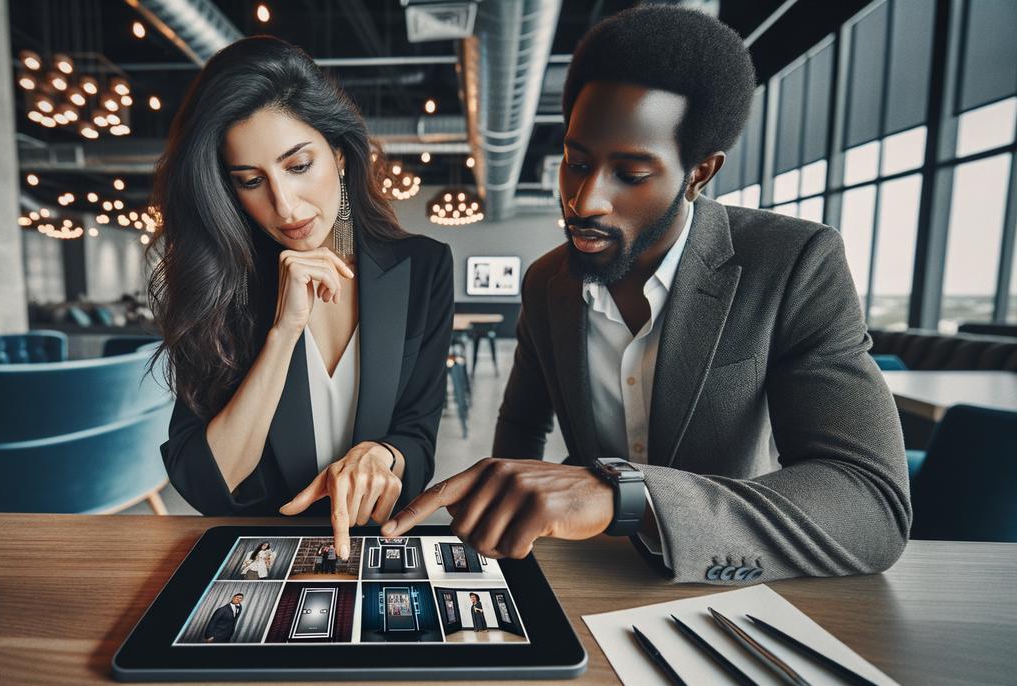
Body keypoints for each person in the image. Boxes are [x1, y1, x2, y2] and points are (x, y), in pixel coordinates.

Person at [384, 6, 910, 585]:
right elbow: (521, 426)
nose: (584, 201)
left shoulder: (793, 262)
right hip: (589, 572)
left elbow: (871, 505)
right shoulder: (545, 282)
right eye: (576, 162)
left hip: (733, 580)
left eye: (630, 174)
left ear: (699, 173)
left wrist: (627, 496)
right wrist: (502, 521)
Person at [151, 36, 454, 560]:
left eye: (298, 166)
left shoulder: (423, 267)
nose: (285, 206)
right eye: (251, 181)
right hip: (260, 559)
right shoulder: (221, 284)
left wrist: (381, 455)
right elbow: (205, 486)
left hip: (371, 550)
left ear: (338, 153)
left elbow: (418, 435)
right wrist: (283, 333)